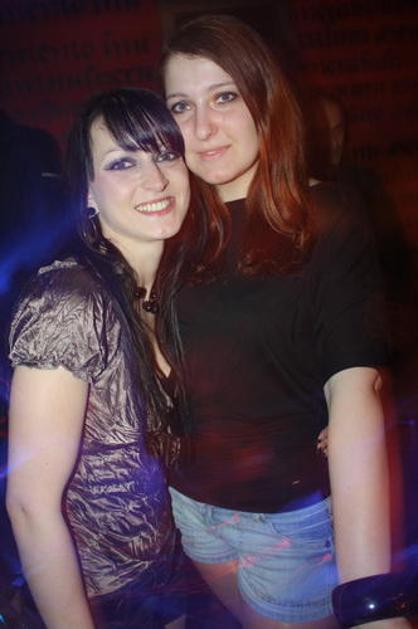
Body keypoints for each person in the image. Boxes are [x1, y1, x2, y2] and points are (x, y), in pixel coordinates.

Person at [160, 14, 409, 628]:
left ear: (265, 101)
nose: (202, 127)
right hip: (189, 508)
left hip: (286, 523)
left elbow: (354, 389)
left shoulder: (326, 215)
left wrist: (370, 598)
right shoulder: (167, 225)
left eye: (224, 97)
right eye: (181, 106)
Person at [6, 87, 192, 628]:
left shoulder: (173, 291)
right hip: (94, 598)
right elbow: (29, 505)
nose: (155, 180)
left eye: (165, 154)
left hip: (170, 576)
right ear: (87, 191)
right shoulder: (69, 301)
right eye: (122, 163)